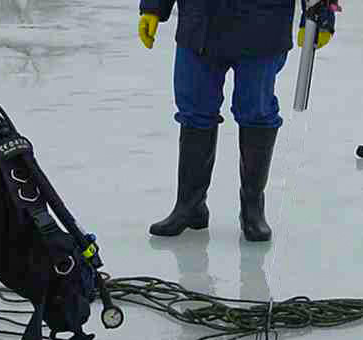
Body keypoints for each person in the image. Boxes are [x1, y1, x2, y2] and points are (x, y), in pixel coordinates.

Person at [137, 1, 338, 241]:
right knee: (194, 109)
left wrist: (319, 14)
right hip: (200, 21)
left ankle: (252, 208)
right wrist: (153, 7)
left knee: (257, 112)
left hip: (263, 22)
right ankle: (190, 206)